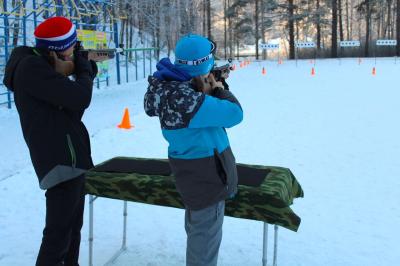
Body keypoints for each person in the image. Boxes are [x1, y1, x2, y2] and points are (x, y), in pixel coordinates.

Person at [3, 16, 98, 266]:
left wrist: (82, 68)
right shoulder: (31, 69)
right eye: (72, 44)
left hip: (71, 159)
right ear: (58, 48)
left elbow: (71, 109)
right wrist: (83, 70)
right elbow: (80, 99)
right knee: (57, 237)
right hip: (59, 160)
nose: (74, 49)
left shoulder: (42, 67)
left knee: (71, 234)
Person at [144, 34, 243, 266]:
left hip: (191, 176)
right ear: (205, 66)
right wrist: (218, 88)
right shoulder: (189, 101)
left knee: (198, 232)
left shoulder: (169, 89)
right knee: (203, 246)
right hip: (208, 180)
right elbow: (235, 113)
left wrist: (208, 84)